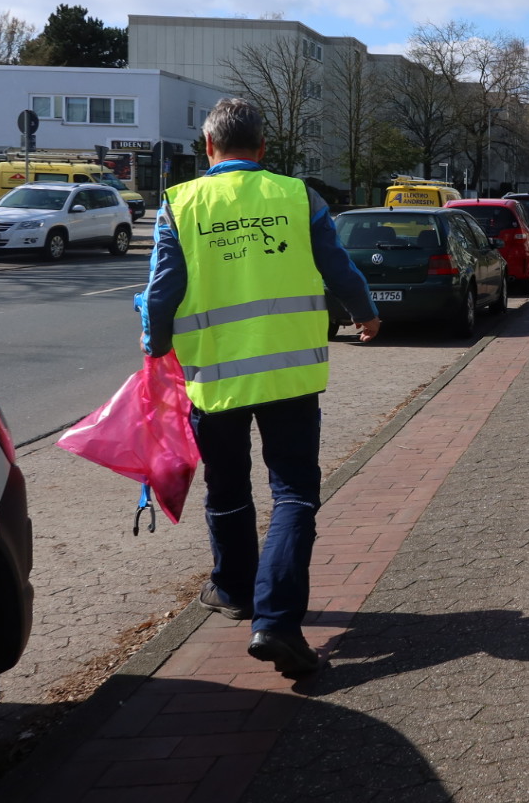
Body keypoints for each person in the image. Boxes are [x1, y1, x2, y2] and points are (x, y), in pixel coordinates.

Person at [139, 98, 380, 676]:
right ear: (263, 148)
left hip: (215, 379)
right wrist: (365, 312)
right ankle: (276, 622)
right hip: (290, 375)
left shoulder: (180, 203)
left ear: (208, 146)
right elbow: (338, 267)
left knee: (227, 489)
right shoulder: (298, 197)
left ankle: (233, 589)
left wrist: (154, 346)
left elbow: (162, 292)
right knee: (294, 493)